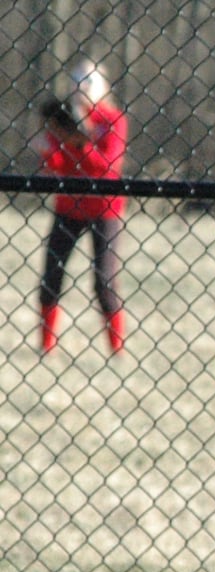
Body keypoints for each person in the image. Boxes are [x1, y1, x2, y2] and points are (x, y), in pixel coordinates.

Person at [33, 59, 129, 355]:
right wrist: (51, 147)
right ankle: (46, 346)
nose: (81, 89)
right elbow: (56, 168)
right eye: (76, 82)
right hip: (69, 207)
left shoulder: (112, 120)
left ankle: (117, 348)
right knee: (51, 275)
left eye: (87, 83)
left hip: (104, 209)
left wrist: (81, 143)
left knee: (104, 280)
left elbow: (109, 166)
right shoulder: (65, 118)